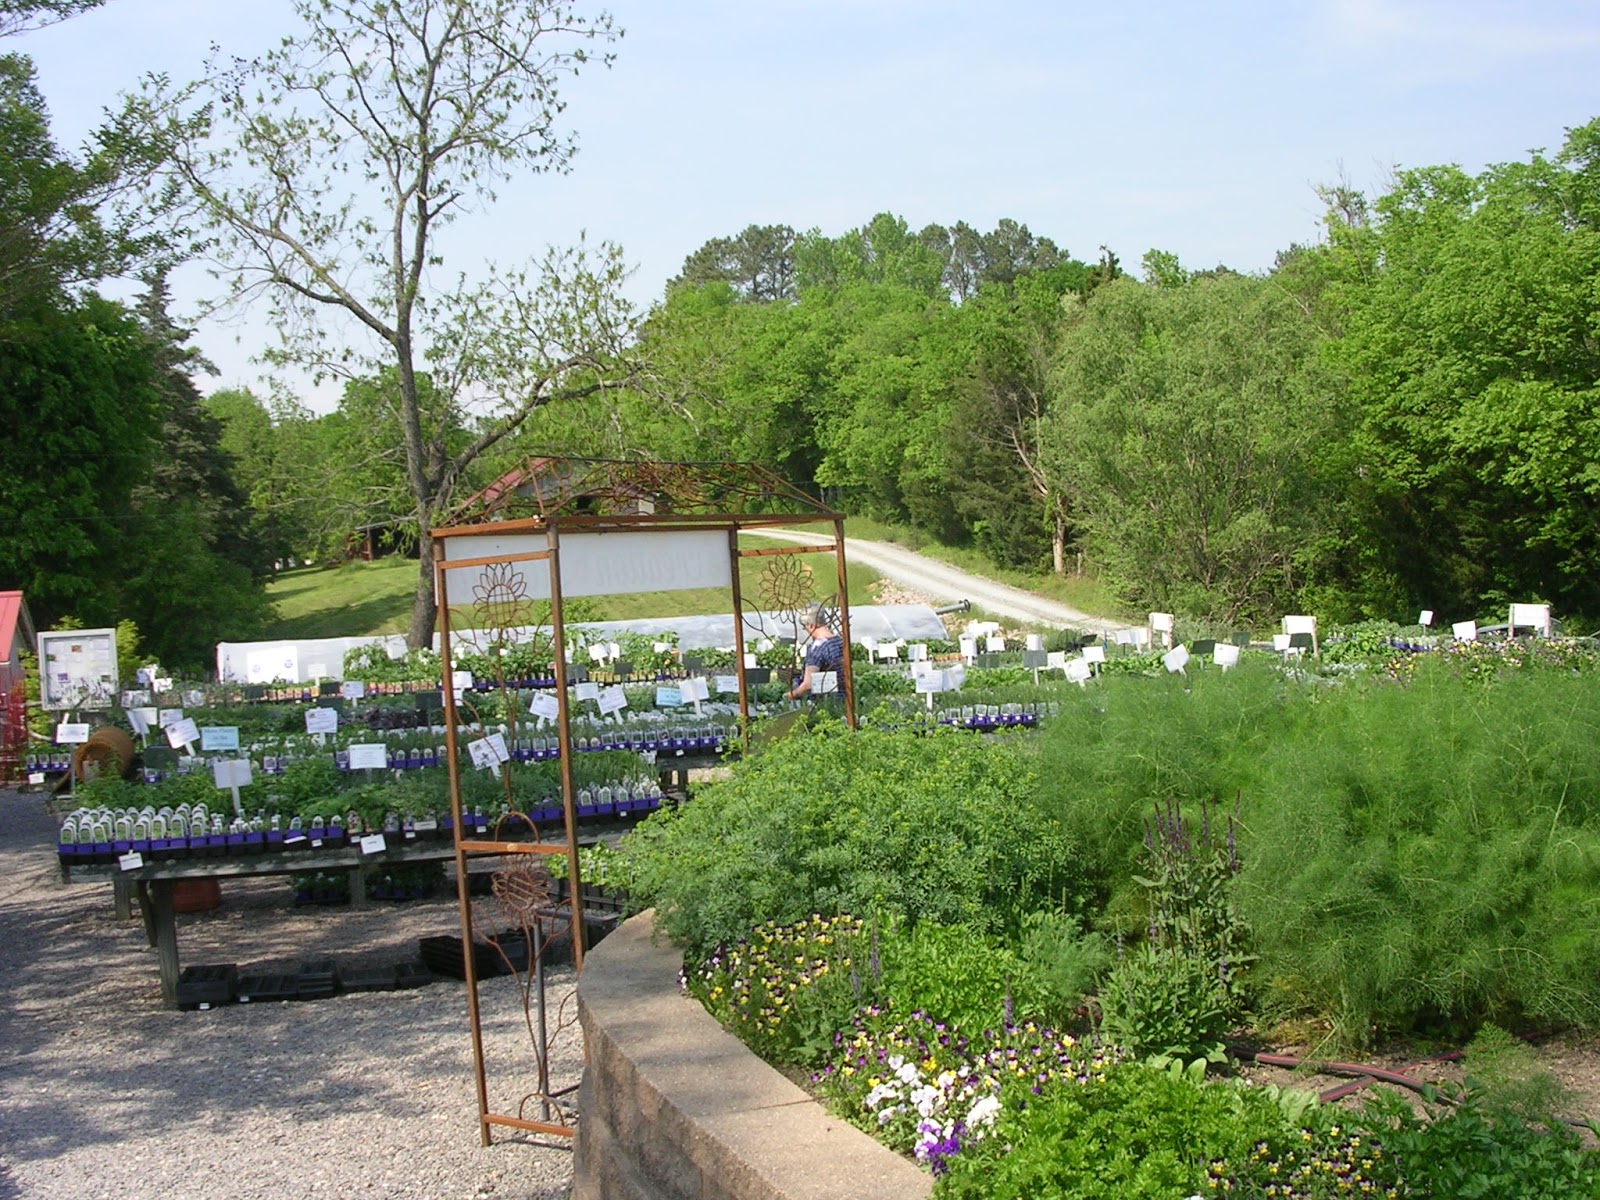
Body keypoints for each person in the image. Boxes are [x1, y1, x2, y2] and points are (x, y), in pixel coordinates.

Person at [785, 605, 842, 701]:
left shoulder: (817, 648)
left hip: (826, 701)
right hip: (844, 697)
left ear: (810, 625)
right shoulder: (839, 641)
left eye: (804, 627)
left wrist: (791, 695)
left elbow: (808, 684)